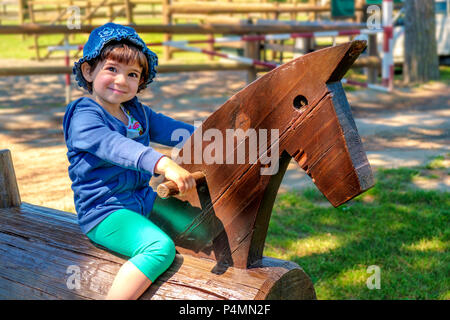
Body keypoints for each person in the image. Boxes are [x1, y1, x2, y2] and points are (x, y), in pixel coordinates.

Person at [63, 22, 196, 300]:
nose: (122, 80)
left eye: (132, 74)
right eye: (112, 69)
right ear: (89, 71)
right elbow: (115, 146)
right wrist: (163, 163)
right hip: (105, 212)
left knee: (199, 220)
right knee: (158, 247)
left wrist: (216, 137)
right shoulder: (84, 116)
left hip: (141, 200)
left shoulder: (135, 111)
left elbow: (174, 130)